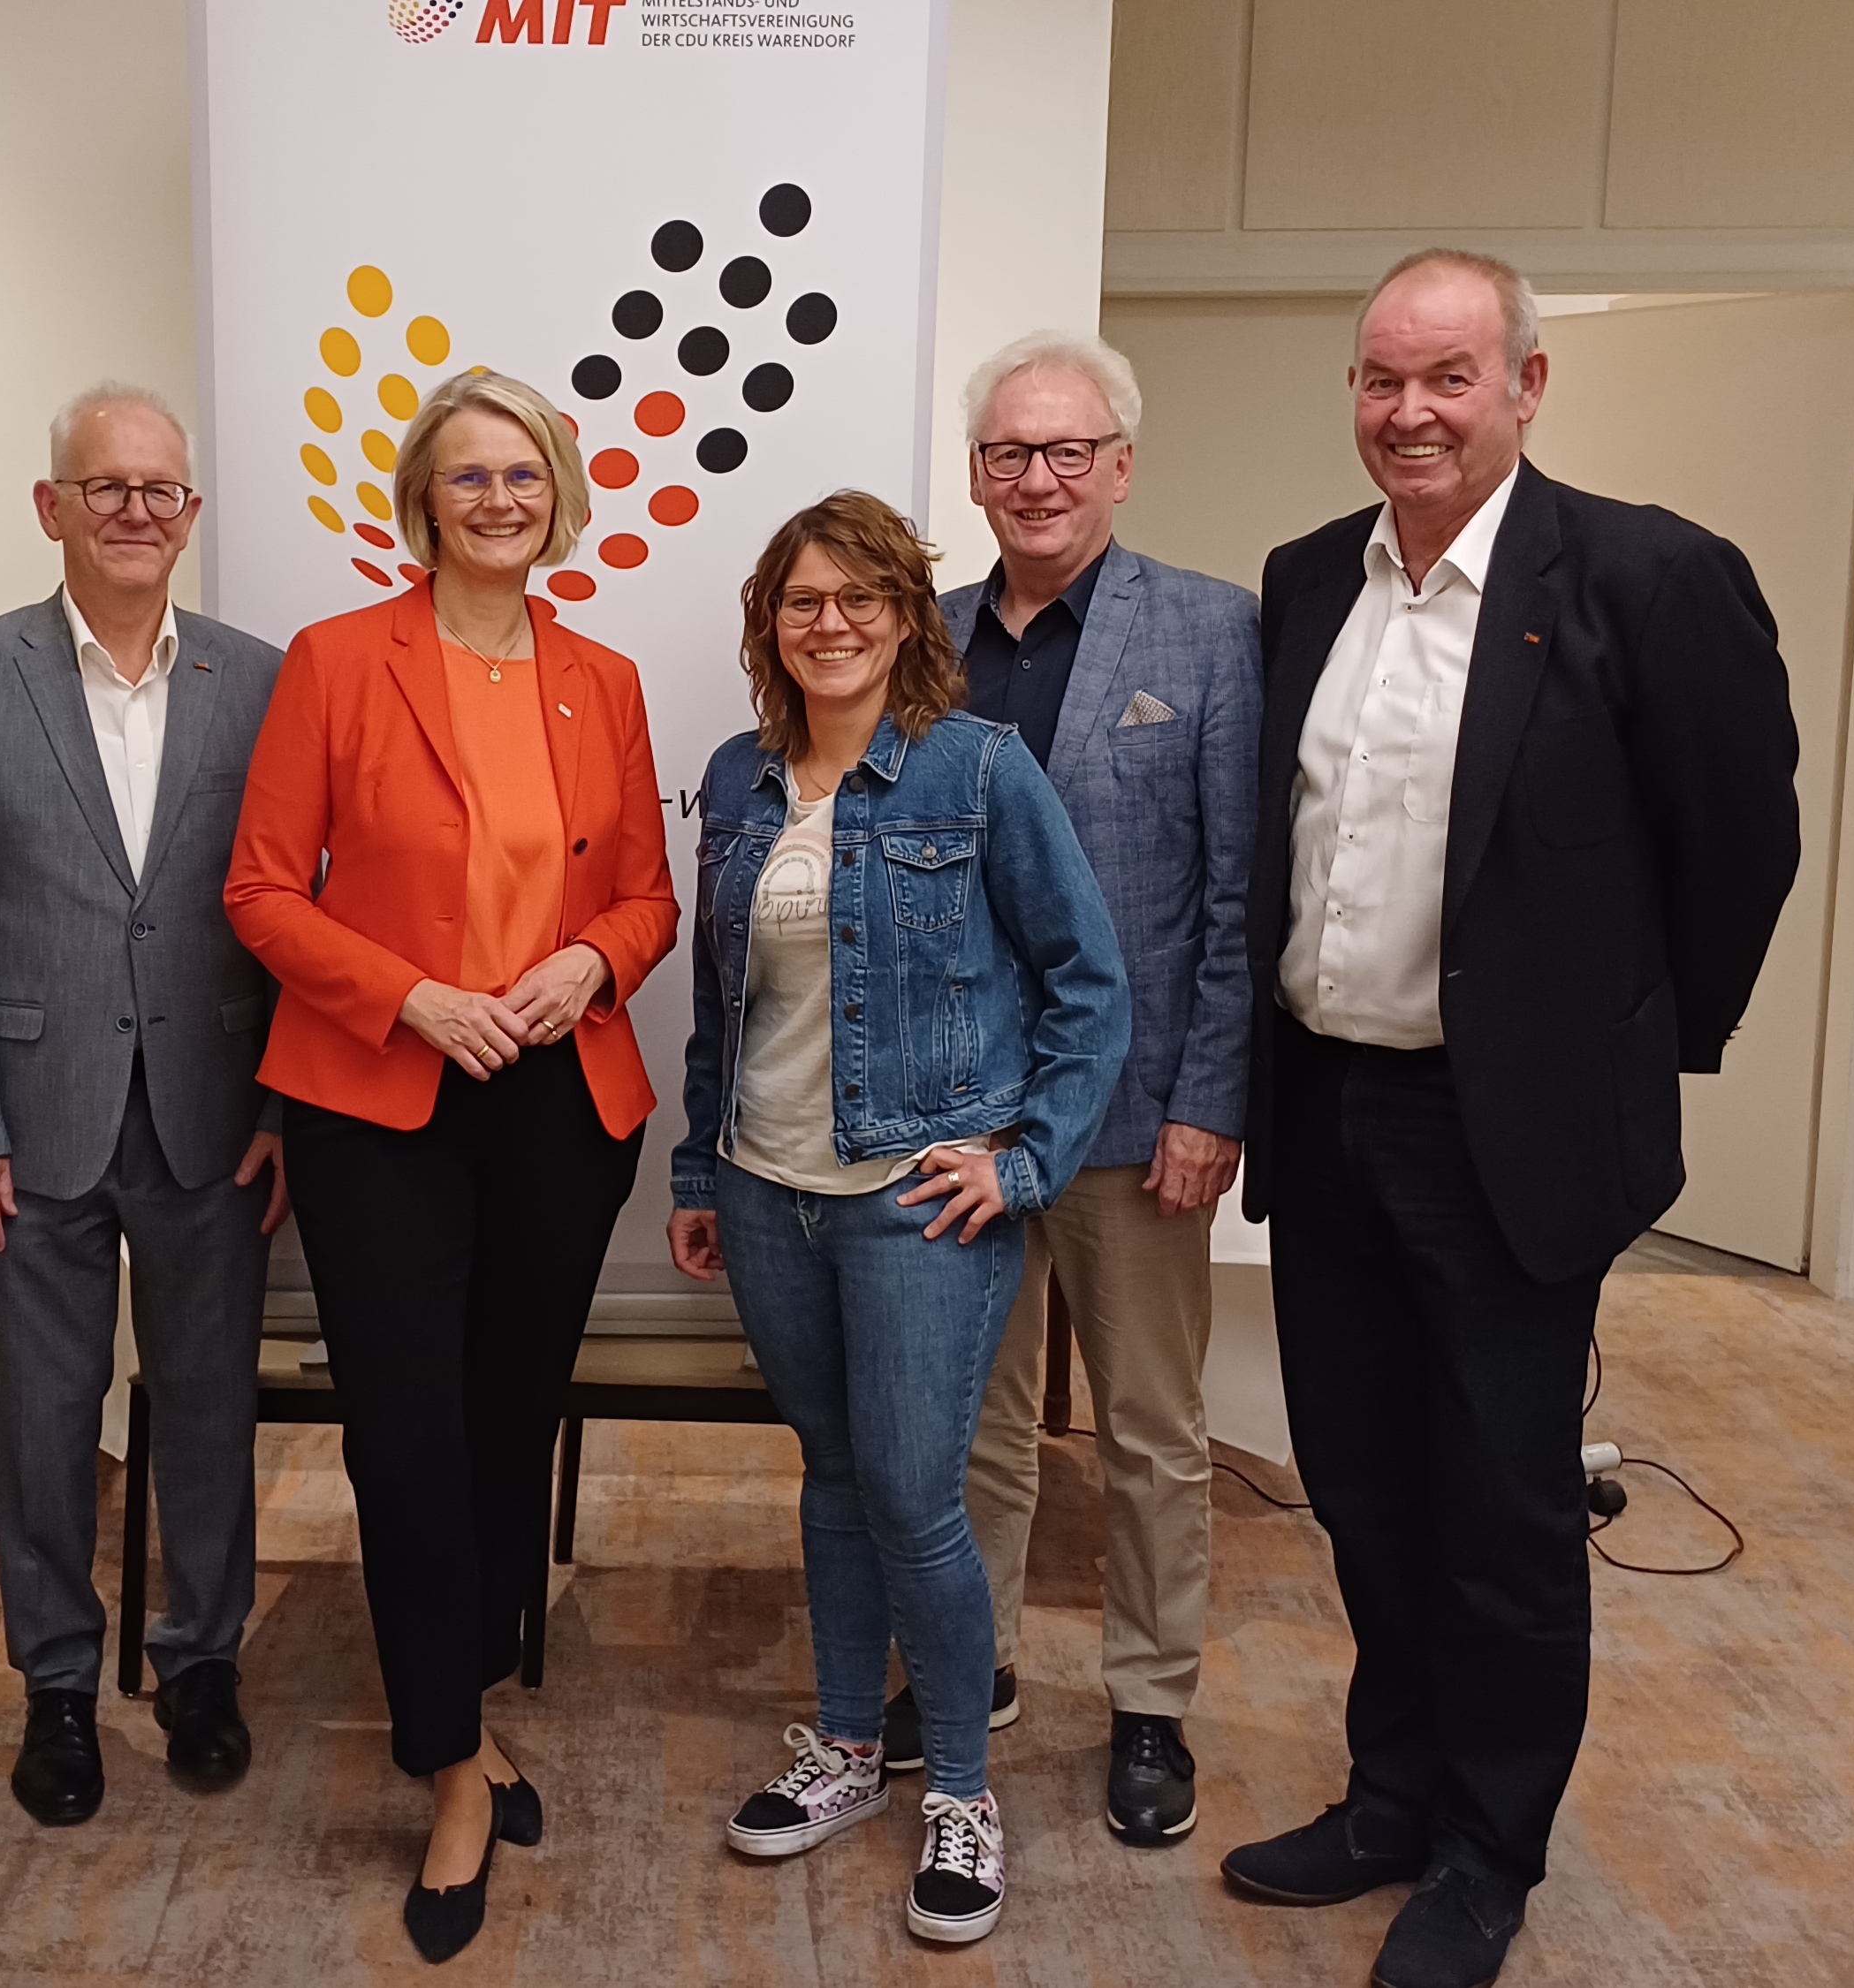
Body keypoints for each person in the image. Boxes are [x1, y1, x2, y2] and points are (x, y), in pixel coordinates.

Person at [1221, 250, 1799, 1988]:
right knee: (1364, 1485)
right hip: (1328, 1107)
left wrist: (1622, 1057)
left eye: (1449, 378)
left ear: (1527, 388)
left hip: (1506, 1136)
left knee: (1504, 1510)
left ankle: (1488, 1851)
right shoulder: (1307, 579)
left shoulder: (1646, 576)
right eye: (1382, 379)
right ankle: (1392, 1796)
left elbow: (1736, 852)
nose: (1410, 412)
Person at [224, 368, 678, 1963]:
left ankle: (466, 1712)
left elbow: (646, 896)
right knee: (405, 1442)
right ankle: (451, 1770)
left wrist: (592, 965)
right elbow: (262, 891)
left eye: (525, 474)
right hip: (382, 1096)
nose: (500, 499)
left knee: (504, 1427)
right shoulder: (339, 661)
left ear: (561, 496)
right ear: (423, 499)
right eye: (470, 476)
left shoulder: (604, 677)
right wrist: (410, 995)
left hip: (558, 1102)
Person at [669, 491, 1131, 1947]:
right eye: (803, 600)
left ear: (907, 616)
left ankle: (965, 1794)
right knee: (829, 1473)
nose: (832, 623)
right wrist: (701, 1171)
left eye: (860, 597)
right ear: (771, 623)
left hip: (916, 1201)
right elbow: (720, 1003)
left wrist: (1026, 1160)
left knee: (917, 1497)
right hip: (768, 1187)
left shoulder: (978, 770)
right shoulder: (739, 777)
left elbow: (1089, 984)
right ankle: (848, 1747)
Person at [0, 383, 287, 1826]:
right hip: (30, 1120)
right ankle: (57, 1682)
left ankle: (202, 1663)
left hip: (213, 1116)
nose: (134, 510)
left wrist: (285, 1110)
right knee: (45, 1416)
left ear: (191, 514)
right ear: (52, 506)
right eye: (105, 486)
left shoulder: (258, 678)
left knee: (209, 1408)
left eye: (158, 489)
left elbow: (291, 912)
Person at [885, 333, 1258, 1842]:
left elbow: (1236, 894)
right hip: (960, 1114)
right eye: (1007, 453)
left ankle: (1151, 1700)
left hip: (1135, 1113)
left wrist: (1211, 1098)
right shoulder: (926, 638)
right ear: (976, 474)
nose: (1036, 479)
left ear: (1120, 465)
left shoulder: (1212, 631)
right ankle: (971, 1667)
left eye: (1066, 452)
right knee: (969, 1419)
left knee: (1150, 1427)